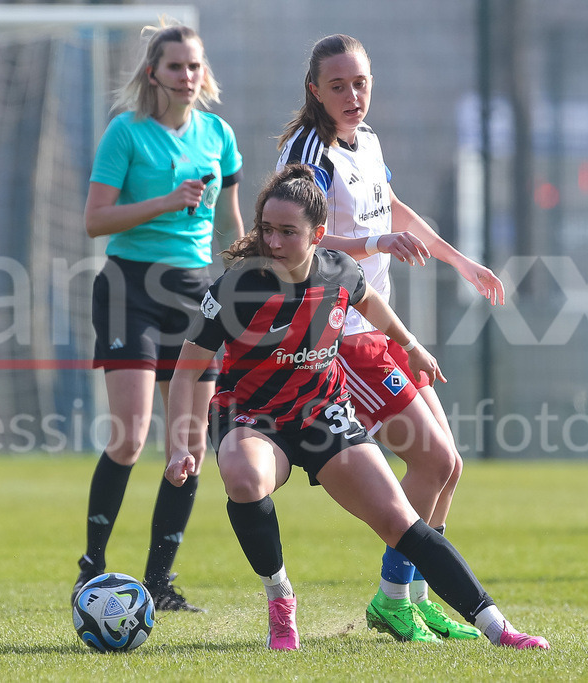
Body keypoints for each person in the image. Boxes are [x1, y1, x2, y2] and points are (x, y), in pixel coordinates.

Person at [164, 164, 548, 651]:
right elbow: (187, 369)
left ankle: (499, 628)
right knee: (244, 479)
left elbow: (371, 304)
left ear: (317, 234)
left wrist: (409, 344)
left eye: (288, 232)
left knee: (399, 519)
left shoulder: (339, 270)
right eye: (266, 229)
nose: (274, 241)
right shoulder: (236, 287)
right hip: (252, 418)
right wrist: (182, 444)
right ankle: (281, 602)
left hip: (324, 413)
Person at [276, 34, 506, 641]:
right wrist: (373, 245)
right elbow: (291, 238)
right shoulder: (308, 151)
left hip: (378, 327)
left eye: (361, 83)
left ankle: (414, 596)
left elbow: (393, 209)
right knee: (430, 459)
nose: (353, 96)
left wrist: (461, 262)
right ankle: (393, 599)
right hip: (340, 332)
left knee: (447, 465)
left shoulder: (368, 142)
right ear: (314, 91)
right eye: (338, 86)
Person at [74, 21, 244, 612]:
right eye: (176, 67)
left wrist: (248, 279)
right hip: (130, 287)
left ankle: (159, 583)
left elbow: (230, 225)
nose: (187, 77)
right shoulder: (126, 133)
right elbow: (95, 221)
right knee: (129, 434)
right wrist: (167, 202)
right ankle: (91, 565)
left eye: (195, 66)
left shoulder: (219, 135)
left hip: (196, 293)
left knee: (189, 443)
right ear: (154, 73)